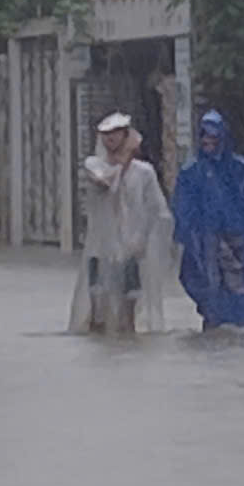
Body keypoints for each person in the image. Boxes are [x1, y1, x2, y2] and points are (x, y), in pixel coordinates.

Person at [170, 109, 244, 329]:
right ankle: (216, 323)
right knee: (208, 284)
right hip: (205, 238)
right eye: (205, 136)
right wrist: (185, 236)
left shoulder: (240, 167)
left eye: (213, 136)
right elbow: (182, 206)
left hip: (240, 236)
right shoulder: (191, 170)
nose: (209, 141)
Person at [69, 112, 169, 335]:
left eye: (116, 134)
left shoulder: (145, 172)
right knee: (97, 314)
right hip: (100, 249)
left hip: (130, 250)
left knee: (128, 317)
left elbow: (158, 210)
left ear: (126, 134)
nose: (110, 139)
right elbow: (105, 182)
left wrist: (143, 240)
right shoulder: (93, 164)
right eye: (105, 134)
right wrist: (127, 155)